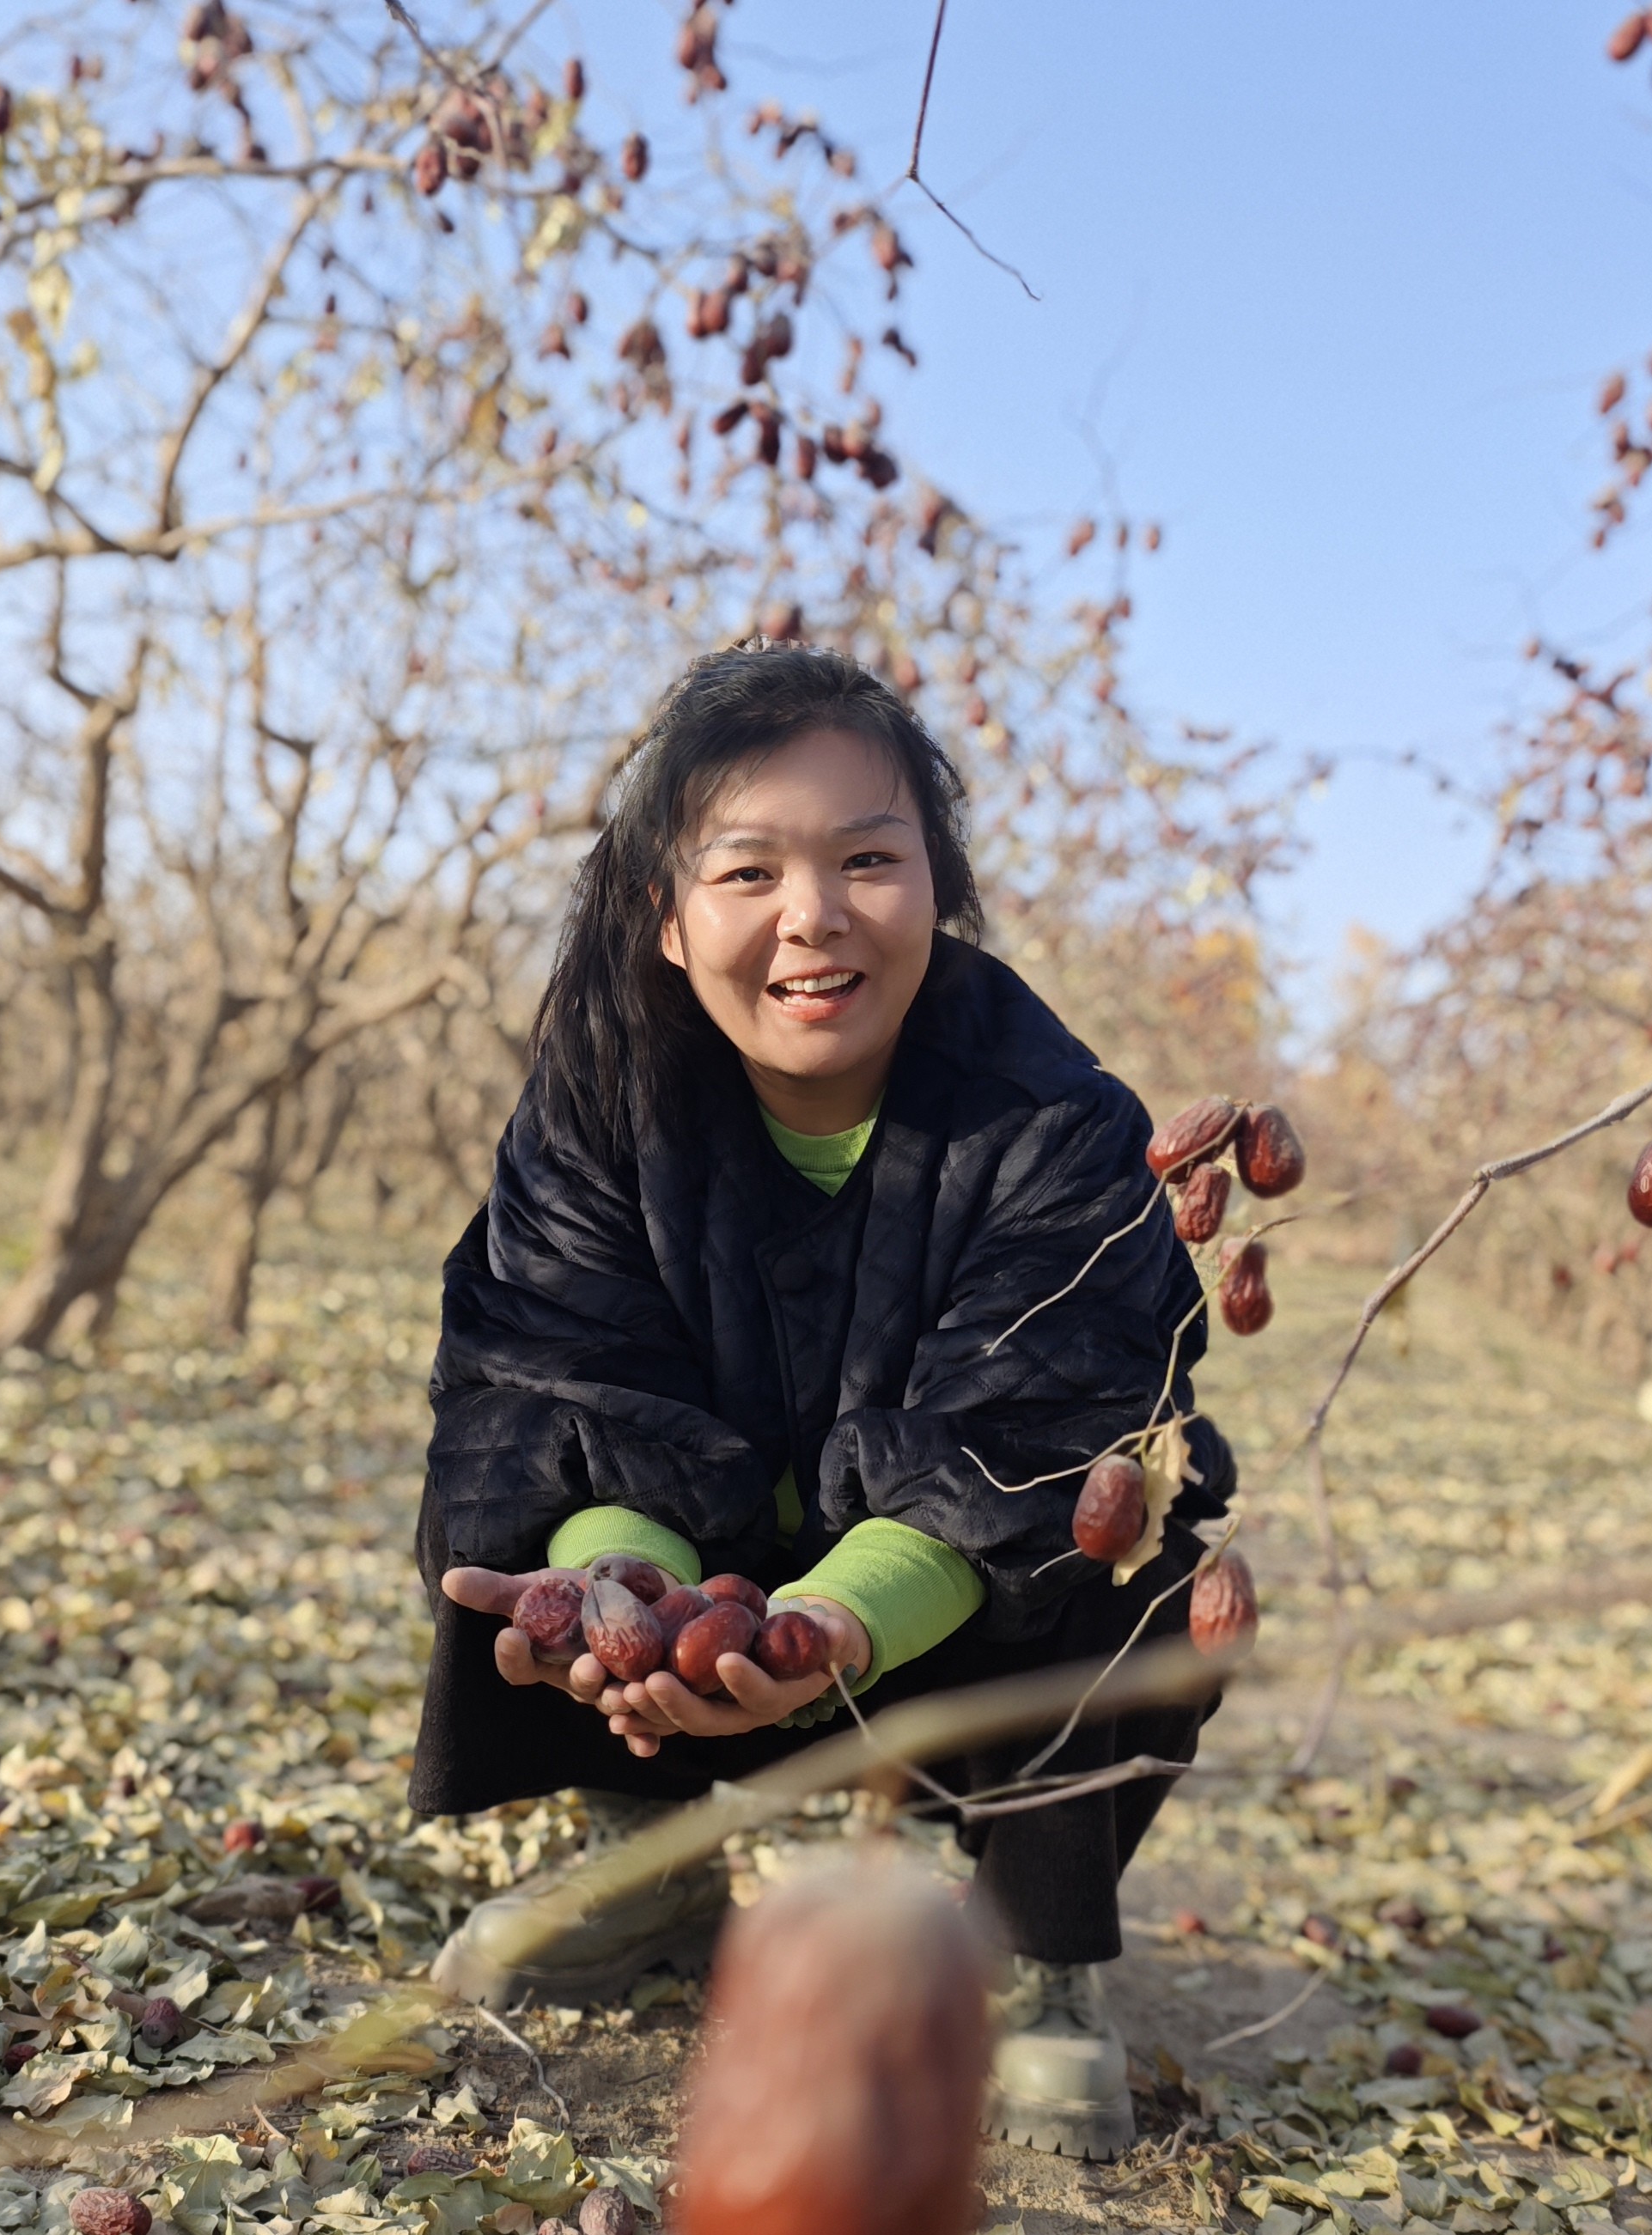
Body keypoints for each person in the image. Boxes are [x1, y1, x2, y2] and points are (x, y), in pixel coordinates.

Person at [411, 642, 1233, 2159]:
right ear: (665, 915)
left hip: (932, 1628)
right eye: (748, 870)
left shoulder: (1057, 1125)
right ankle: (646, 1862)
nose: (815, 916)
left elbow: (1040, 1423)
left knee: (1146, 1523)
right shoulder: (603, 1100)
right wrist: (622, 1587)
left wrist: (841, 1625)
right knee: (496, 1443)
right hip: (703, 1599)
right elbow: (561, 1364)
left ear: (938, 887)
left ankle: (1033, 1948)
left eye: (870, 858)